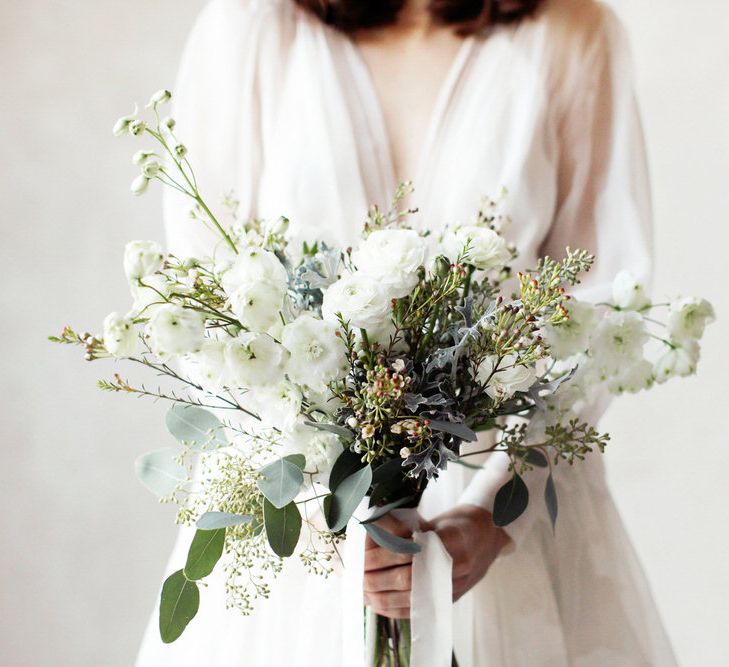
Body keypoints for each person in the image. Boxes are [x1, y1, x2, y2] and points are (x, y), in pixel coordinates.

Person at [136, 0, 677, 664]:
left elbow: (594, 309)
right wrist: (325, 499)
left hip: (497, 515)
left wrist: (496, 513)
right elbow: (206, 298)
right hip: (299, 529)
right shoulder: (251, 26)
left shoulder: (572, 33)